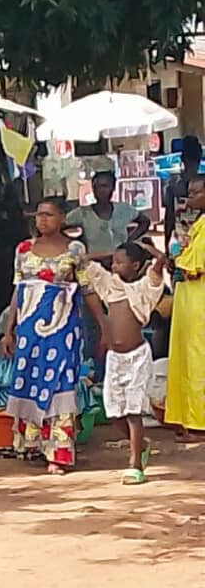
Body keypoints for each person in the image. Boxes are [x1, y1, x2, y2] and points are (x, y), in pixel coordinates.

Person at [0, 197, 107, 475]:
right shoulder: (23, 250)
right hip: (28, 331)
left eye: (48, 214)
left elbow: (87, 289)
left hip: (63, 330)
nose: (42, 220)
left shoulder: (74, 249)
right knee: (30, 381)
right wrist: (8, 330)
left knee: (60, 383)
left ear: (62, 218)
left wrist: (104, 327)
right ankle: (33, 444)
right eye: (39, 215)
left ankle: (58, 452)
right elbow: (18, 292)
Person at [83, 242, 164, 483]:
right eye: (113, 262)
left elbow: (160, 264)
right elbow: (83, 260)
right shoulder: (111, 286)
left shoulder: (144, 288)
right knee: (113, 411)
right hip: (114, 358)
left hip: (137, 357)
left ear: (136, 265)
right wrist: (111, 253)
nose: (114, 265)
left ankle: (135, 464)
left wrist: (150, 250)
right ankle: (140, 444)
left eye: (120, 262)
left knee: (132, 411)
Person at [165, 176, 205, 441]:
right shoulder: (197, 223)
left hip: (199, 298)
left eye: (195, 193)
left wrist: (176, 261)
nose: (189, 198)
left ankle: (199, 420)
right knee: (185, 355)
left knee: (198, 355)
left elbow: (194, 266)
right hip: (188, 299)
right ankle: (187, 416)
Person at [68, 171, 151, 257]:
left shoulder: (124, 209)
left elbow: (145, 221)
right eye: (97, 186)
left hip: (122, 262)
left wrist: (130, 240)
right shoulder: (82, 213)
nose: (101, 190)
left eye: (105, 186)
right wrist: (78, 241)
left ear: (113, 188)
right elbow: (59, 226)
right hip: (95, 262)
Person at [165, 136, 203, 265]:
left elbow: (169, 218)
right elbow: (169, 218)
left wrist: (167, 247)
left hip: (185, 240)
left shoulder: (173, 185)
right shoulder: (176, 185)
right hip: (188, 241)